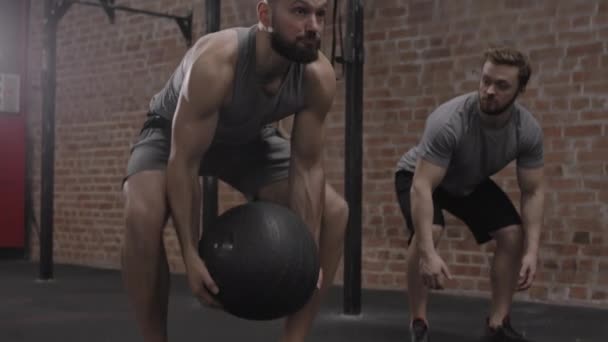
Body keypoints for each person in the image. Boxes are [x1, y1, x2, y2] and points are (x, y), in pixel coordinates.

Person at [120, 1, 349, 341]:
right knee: (142, 215)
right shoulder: (217, 62)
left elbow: (308, 165)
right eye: (300, 12)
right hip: (171, 134)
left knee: (335, 213)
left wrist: (306, 251)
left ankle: (295, 339)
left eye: (320, 14)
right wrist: (190, 254)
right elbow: (184, 162)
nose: (313, 26)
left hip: (249, 138)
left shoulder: (318, 75)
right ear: (265, 15)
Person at [394, 47, 545, 342]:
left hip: (466, 180)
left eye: (502, 86)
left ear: (519, 90)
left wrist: (533, 251)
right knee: (431, 231)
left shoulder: (526, 130)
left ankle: (497, 325)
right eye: (486, 80)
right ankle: (418, 322)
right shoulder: (449, 120)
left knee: (513, 234)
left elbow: (534, 190)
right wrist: (427, 252)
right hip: (418, 175)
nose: (489, 91)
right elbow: (422, 187)